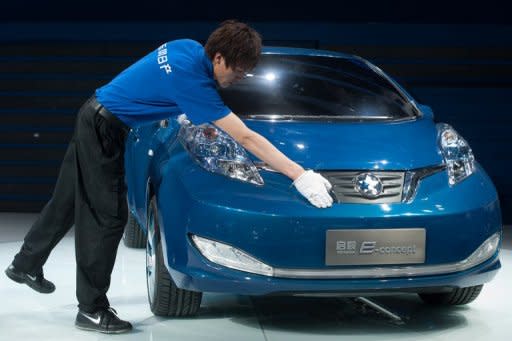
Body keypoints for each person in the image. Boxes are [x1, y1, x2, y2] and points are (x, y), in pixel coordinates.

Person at [4, 19, 333, 334]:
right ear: (218, 57)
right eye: (238, 70)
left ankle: (25, 264)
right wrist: (299, 174)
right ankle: (91, 309)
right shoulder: (197, 86)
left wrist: (180, 110)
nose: (240, 78)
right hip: (104, 128)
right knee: (107, 218)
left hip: (94, 113)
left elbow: (157, 83)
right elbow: (246, 137)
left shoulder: (185, 47)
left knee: (67, 199)